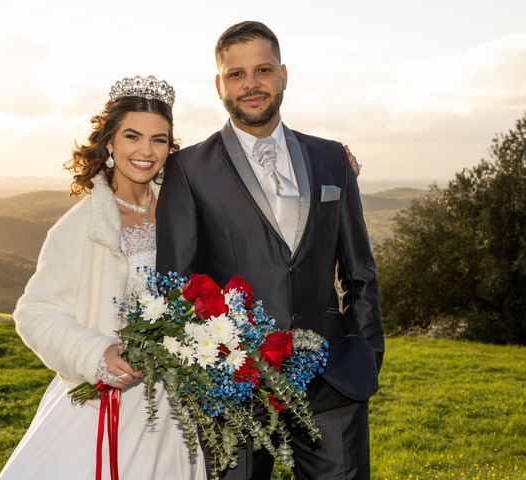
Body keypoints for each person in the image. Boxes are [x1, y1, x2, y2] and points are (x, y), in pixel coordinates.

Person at [156, 21, 384, 480]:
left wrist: (366, 349)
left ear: (282, 74)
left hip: (331, 379)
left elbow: (359, 268)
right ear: (219, 84)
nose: (251, 84)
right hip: (232, 388)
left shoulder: (331, 159)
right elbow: (177, 285)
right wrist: (207, 375)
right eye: (236, 74)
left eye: (262, 70)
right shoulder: (189, 170)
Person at [0, 75, 207, 479]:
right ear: (109, 142)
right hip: (103, 405)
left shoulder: (182, 212)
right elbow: (35, 313)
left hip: (173, 410)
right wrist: (96, 355)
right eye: (133, 136)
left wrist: (336, 164)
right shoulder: (80, 227)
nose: (146, 151)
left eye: (159, 140)